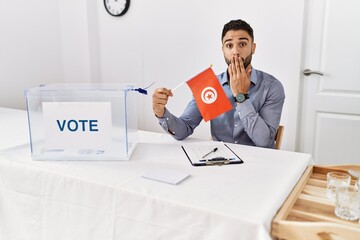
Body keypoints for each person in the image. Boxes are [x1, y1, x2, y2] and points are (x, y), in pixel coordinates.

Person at [152, 19, 285, 148]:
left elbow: (265, 142)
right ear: (223, 50)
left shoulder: (272, 87)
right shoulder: (210, 84)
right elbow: (183, 130)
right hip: (219, 159)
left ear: (253, 48)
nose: (235, 52)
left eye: (243, 44)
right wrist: (161, 113)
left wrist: (241, 96)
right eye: (229, 45)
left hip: (259, 161)